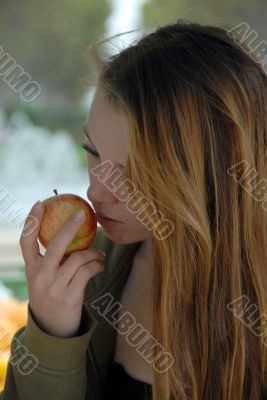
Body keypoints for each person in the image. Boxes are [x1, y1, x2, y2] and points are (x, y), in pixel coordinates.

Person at [1, 18, 267, 400]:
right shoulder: (97, 267)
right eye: (93, 152)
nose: (95, 191)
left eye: (135, 174)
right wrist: (53, 334)